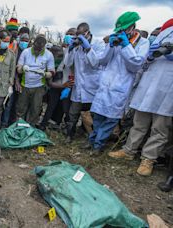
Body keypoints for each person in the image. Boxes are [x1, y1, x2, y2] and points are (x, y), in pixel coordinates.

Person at [109, 19, 173, 176]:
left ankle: (148, 159)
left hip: (168, 87)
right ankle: (129, 150)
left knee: (160, 128)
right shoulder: (165, 30)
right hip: (149, 83)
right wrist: (150, 57)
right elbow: (144, 61)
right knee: (139, 122)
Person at [89, 11, 149, 155]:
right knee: (97, 115)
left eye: (124, 29)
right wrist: (110, 46)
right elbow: (102, 61)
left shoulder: (143, 43)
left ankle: (98, 145)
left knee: (110, 119)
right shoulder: (115, 40)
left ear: (132, 27)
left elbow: (135, 64)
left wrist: (126, 46)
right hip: (105, 85)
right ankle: (92, 140)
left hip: (121, 87)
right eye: (120, 30)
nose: (122, 32)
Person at [63, 23, 104, 143]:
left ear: (87, 33)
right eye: (77, 35)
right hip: (79, 85)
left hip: (93, 86)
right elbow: (68, 63)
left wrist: (88, 48)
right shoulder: (76, 45)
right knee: (73, 113)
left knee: (93, 115)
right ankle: (70, 134)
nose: (79, 37)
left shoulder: (98, 44)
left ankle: (92, 137)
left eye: (81, 35)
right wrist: (70, 49)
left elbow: (95, 63)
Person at [16, 35, 55, 126]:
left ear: (44, 47)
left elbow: (52, 72)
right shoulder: (26, 52)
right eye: (36, 48)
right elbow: (18, 68)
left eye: (40, 49)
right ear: (33, 44)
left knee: (35, 109)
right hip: (25, 85)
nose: (37, 51)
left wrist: (45, 74)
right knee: (21, 108)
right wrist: (22, 69)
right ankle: (19, 126)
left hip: (39, 86)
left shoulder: (49, 55)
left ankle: (30, 128)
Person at [1, 27, 31, 128]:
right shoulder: (14, 50)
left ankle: (13, 124)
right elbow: (12, 67)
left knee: (18, 105)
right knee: (9, 104)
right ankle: (4, 124)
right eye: (22, 40)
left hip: (23, 83)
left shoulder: (29, 52)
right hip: (12, 81)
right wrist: (16, 81)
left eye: (26, 41)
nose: (24, 42)